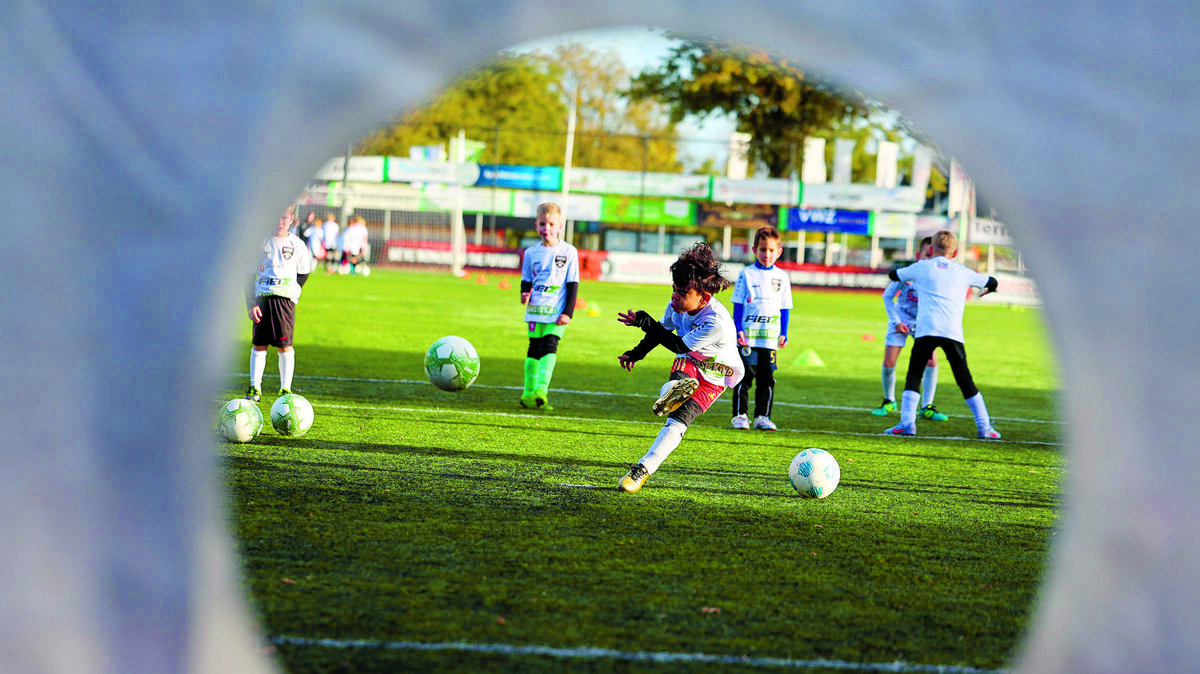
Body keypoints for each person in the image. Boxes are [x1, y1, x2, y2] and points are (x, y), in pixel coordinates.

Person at [615, 243, 744, 493]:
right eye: (674, 289)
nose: (675, 296)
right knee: (681, 379)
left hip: (717, 372)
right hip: (691, 359)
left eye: (682, 292)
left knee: (678, 422)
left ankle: (644, 467)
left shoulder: (714, 322)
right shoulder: (676, 304)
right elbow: (662, 331)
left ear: (704, 298)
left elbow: (676, 344)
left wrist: (645, 321)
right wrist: (637, 352)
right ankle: (672, 392)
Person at [884, 229, 1001, 439]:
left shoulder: (922, 267)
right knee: (965, 380)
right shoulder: (963, 271)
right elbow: (992, 281)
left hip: (926, 330)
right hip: (952, 332)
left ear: (931, 249)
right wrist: (988, 290)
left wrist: (910, 274)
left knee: (914, 376)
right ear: (955, 252)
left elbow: (893, 274)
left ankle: (907, 424)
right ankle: (984, 427)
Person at [873, 236, 949, 421]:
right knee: (889, 362)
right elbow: (887, 296)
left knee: (931, 362)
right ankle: (889, 401)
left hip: (924, 324)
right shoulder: (908, 273)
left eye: (933, 255)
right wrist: (896, 321)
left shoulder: (937, 277)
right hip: (901, 321)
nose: (930, 258)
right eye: (927, 254)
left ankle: (927, 406)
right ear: (918, 255)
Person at [244, 206, 315, 402]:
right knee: (259, 344)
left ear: (291, 219)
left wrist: (293, 291)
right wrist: (250, 304)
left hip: (284, 302)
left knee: (285, 346)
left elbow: (304, 273)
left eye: (284, 217)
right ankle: (255, 388)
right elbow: (248, 275)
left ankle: (285, 389)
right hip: (261, 299)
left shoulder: (297, 245)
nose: (279, 221)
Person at [730, 226, 793, 431]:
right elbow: (738, 304)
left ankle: (763, 417)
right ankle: (740, 415)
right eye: (763, 249)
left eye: (771, 250)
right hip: (748, 336)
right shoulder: (746, 274)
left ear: (779, 252)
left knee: (767, 378)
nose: (767, 254)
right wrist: (738, 329)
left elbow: (785, 307)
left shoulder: (782, 277)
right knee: (745, 376)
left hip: (770, 338)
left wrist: (783, 333)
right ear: (754, 250)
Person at [518, 202, 579, 410]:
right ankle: (528, 393)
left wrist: (568, 313)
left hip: (556, 311)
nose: (547, 228)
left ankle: (541, 391)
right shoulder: (530, 253)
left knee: (550, 345)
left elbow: (573, 283)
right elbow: (527, 279)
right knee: (533, 349)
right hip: (535, 310)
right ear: (536, 226)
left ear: (560, 226)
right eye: (543, 224)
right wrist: (524, 294)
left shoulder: (569, 251)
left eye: (551, 224)